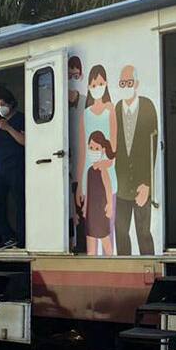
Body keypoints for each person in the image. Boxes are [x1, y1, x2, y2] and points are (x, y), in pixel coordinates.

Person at [113, 64, 158, 255]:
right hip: (122, 184)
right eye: (122, 83)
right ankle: (125, 269)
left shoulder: (147, 105)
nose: (126, 86)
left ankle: (151, 268)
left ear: (136, 83)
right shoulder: (117, 108)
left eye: (129, 82)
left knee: (143, 232)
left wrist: (147, 183)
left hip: (142, 183)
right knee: (121, 231)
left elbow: (152, 147)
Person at [76, 65, 118, 255]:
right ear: (89, 86)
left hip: (107, 177)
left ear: (106, 84)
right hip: (89, 179)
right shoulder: (85, 114)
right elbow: (83, 153)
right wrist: (79, 186)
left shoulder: (111, 109)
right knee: (90, 230)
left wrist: (103, 164)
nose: (97, 87)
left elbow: (114, 149)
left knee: (107, 228)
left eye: (100, 83)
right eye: (94, 84)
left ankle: (113, 266)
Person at [0, 86, 26, 249]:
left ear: (10, 103)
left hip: (16, 164)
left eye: (2, 103)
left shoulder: (20, 118)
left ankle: (23, 239)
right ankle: (7, 236)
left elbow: (25, 141)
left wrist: (8, 127)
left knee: (21, 202)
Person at [82, 131, 116, 256]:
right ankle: (91, 260)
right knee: (90, 238)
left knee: (104, 238)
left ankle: (111, 261)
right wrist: (85, 207)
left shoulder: (103, 170)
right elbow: (88, 190)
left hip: (101, 209)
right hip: (91, 210)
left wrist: (110, 204)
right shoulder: (89, 170)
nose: (93, 150)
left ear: (102, 150)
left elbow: (108, 187)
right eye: (91, 147)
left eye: (96, 148)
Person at [67, 56, 86, 253]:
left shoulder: (86, 101)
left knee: (80, 208)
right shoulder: (57, 106)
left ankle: (79, 244)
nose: (72, 78)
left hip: (82, 164)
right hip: (67, 166)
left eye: (75, 74)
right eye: (69, 75)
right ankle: (71, 242)